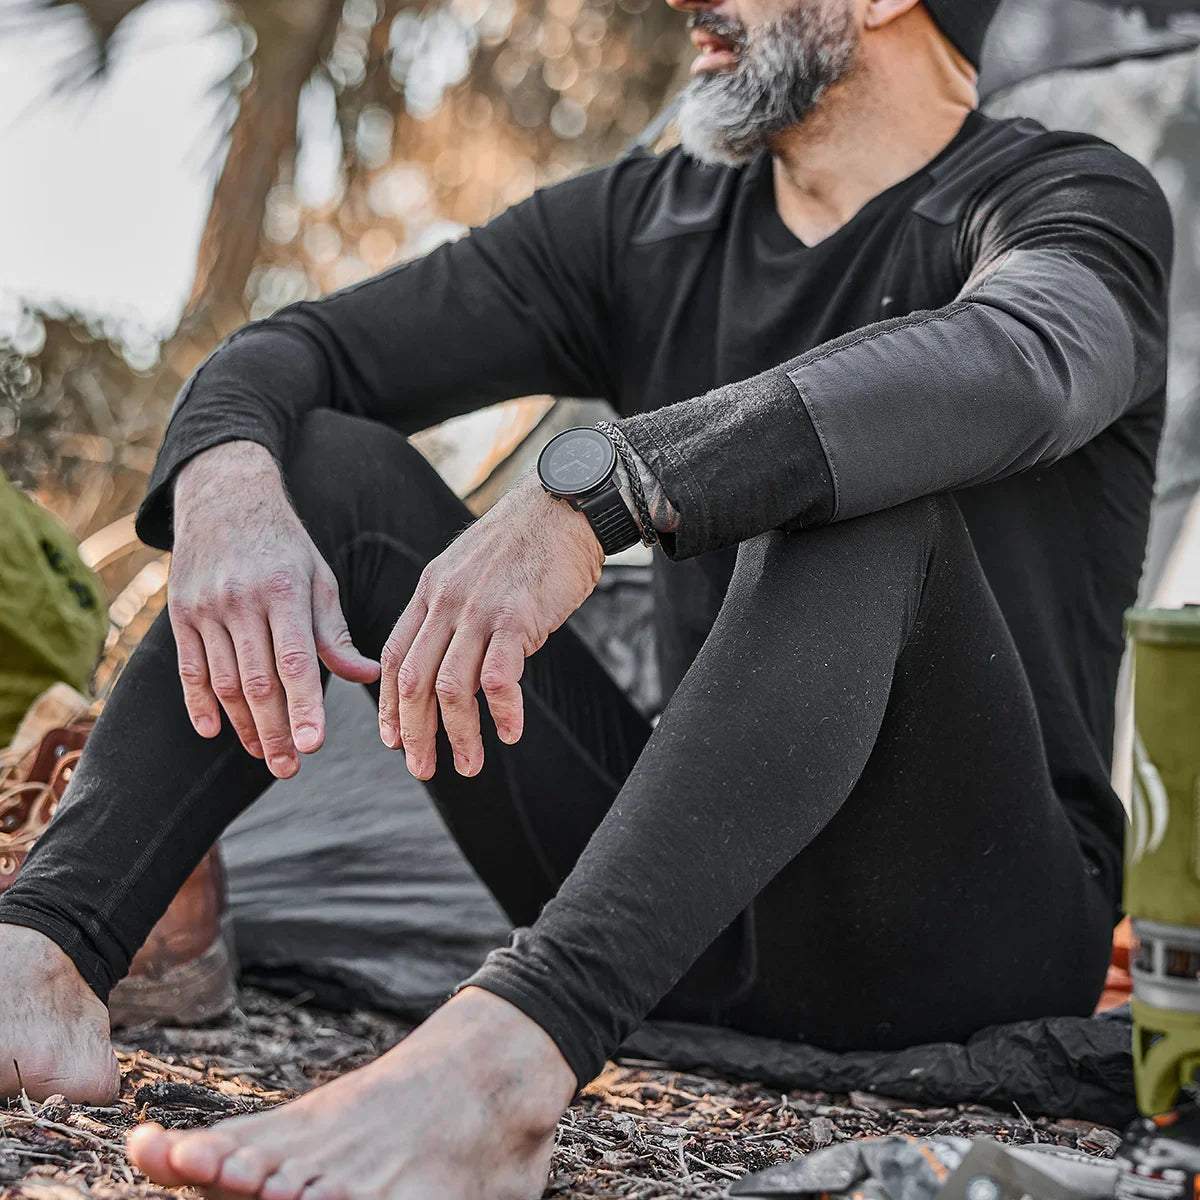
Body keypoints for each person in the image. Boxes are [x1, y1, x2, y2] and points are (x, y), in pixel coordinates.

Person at [0, 0, 1172, 1194]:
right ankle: (44, 956)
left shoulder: (1071, 202)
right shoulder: (648, 219)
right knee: (319, 465)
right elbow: (305, 350)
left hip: (963, 926)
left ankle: (504, 1070)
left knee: (862, 492)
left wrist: (608, 489)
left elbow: (1023, 357)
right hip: (682, 905)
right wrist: (229, 475)